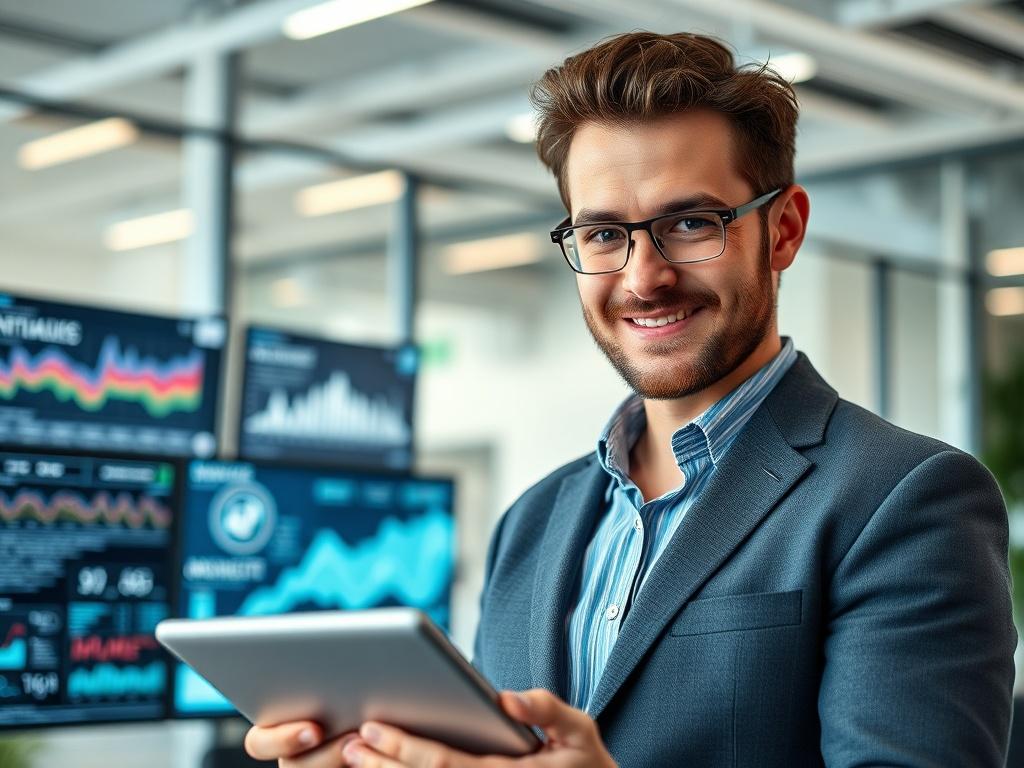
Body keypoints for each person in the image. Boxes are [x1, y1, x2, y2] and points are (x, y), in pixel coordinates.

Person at [243, 31, 1017, 767]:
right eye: (605, 235)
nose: (644, 278)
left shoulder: (907, 499)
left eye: (689, 222)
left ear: (782, 230)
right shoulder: (532, 524)